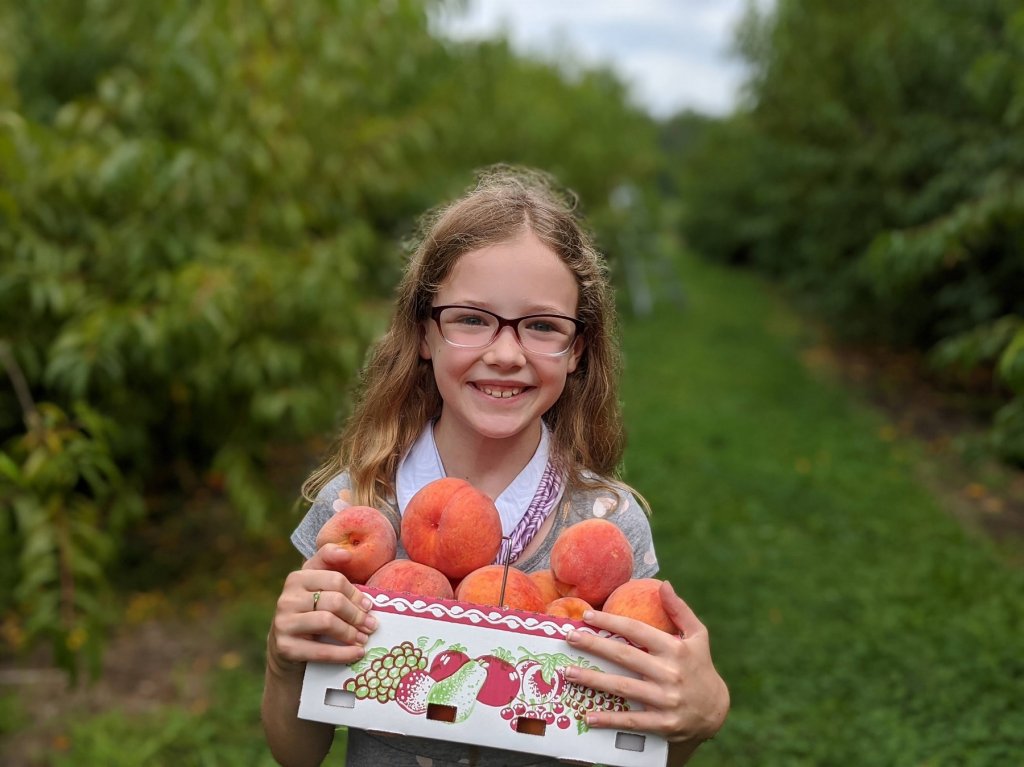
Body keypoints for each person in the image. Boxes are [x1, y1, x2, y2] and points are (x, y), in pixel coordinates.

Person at [261, 166, 729, 766]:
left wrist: (692, 720)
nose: (505, 354)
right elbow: (297, 754)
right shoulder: (358, 507)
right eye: (472, 319)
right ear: (425, 334)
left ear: (577, 349)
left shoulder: (606, 525)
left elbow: (634, 738)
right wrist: (282, 663)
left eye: (541, 326)